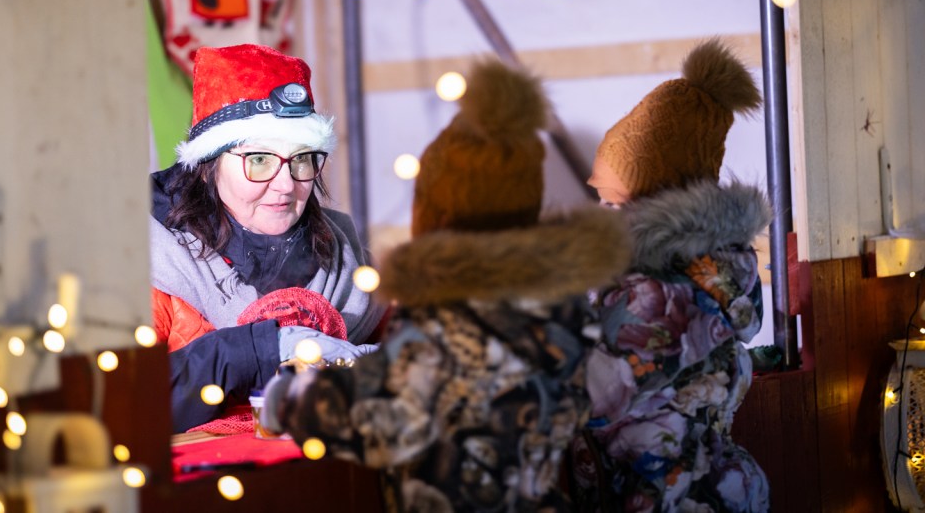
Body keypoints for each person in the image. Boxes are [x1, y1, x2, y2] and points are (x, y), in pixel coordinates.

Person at [263, 60, 632, 511]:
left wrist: (291, 399)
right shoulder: (565, 306)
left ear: (436, 216)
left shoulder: (452, 314)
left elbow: (382, 416)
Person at [573, 38, 772, 512]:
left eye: (612, 202)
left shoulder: (656, 298)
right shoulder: (717, 273)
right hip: (719, 492)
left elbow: (583, 397)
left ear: (654, 209)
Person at [150, 43, 388, 433]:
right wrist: (263, 349)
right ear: (208, 166)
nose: (286, 185)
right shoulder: (152, 263)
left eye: (301, 158)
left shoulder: (348, 258)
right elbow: (121, 402)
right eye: (259, 160)